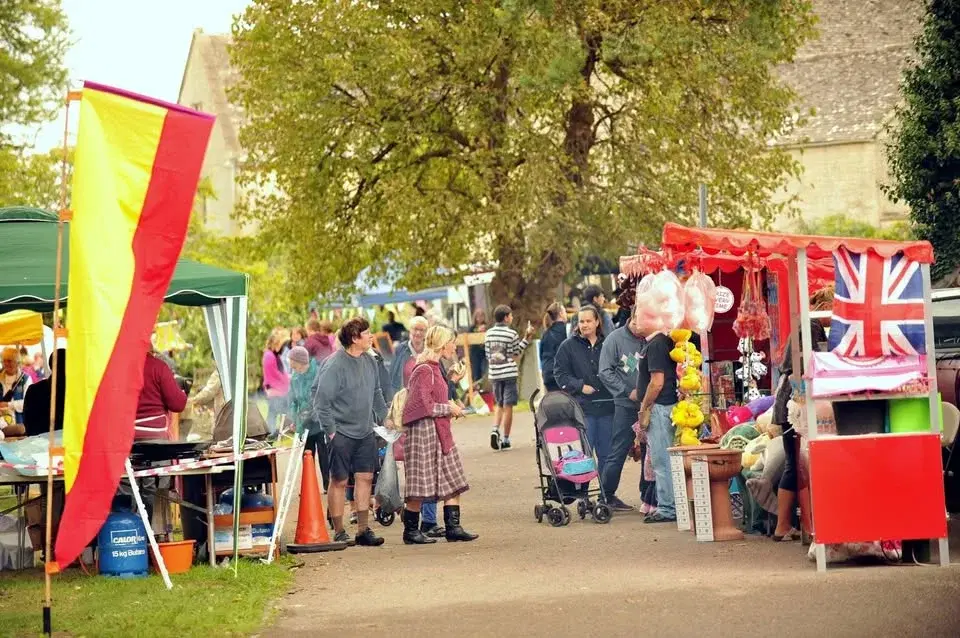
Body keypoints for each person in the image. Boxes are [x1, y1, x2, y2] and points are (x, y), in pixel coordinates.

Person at [314, 317, 388, 547]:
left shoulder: (370, 361)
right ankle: (338, 531)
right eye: (366, 333)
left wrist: (386, 418)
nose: (371, 336)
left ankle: (364, 530)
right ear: (355, 338)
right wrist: (332, 432)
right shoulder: (335, 365)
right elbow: (321, 402)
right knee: (339, 480)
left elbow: (376, 393)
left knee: (365, 477)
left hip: (366, 431)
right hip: (341, 433)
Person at [401, 325, 477, 544]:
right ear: (443, 344)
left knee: (453, 479)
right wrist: (449, 409)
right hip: (424, 434)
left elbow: (436, 397)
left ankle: (454, 527)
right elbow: (421, 404)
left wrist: (451, 390)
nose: (454, 346)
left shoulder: (435, 367)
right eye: (452, 342)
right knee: (420, 483)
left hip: (440, 432)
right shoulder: (424, 369)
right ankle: (411, 532)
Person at [772, 319, 828, 541]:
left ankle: (791, 525)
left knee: (794, 465)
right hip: (795, 409)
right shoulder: (804, 362)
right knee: (796, 466)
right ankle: (785, 525)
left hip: (788, 407)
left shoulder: (789, 367)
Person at [386, 316, 443, 536]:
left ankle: (429, 520)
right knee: (413, 470)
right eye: (415, 330)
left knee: (429, 468)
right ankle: (412, 520)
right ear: (410, 331)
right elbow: (392, 382)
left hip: (427, 415)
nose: (418, 334)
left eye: (422, 330)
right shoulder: (401, 352)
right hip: (406, 415)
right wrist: (391, 412)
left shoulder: (430, 352)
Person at [553, 306, 615, 478]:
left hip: (607, 408)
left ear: (597, 322)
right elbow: (560, 374)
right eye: (581, 321)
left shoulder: (608, 343)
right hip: (582, 409)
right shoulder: (568, 346)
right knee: (583, 455)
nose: (585, 325)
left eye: (588, 321)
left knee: (607, 455)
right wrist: (580, 386)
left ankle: (606, 495)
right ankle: (584, 495)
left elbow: (618, 369)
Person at [598, 307, 647, 511]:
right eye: (639, 321)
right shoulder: (614, 339)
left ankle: (649, 495)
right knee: (618, 450)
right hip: (626, 405)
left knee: (649, 452)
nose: (642, 326)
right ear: (631, 318)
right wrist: (626, 391)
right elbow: (604, 371)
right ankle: (606, 495)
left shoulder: (649, 338)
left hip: (650, 404)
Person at [635, 320, 679, 523]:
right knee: (662, 460)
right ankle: (668, 505)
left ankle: (668, 508)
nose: (634, 322)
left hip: (659, 408)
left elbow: (657, 382)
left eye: (638, 317)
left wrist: (644, 406)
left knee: (662, 461)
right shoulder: (658, 342)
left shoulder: (656, 344)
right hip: (663, 407)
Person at [485, 304, 535, 450]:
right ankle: (506, 439)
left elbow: (488, 355)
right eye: (511, 315)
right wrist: (526, 337)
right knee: (508, 407)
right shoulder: (511, 334)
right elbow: (516, 353)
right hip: (509, 374)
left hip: (495, 373)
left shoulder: (488, 334)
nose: (512, 318)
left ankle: (495, 429)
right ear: (506, 318)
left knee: (499, 405)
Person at [288, 345, 330, 491]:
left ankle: (328, 485)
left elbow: (322, 396)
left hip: (318, 421)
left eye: (293, 363)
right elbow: (293, 401)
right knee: (307, 455)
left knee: (324, 455)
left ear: (300, 361)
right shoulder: (295, 377)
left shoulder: (317, 372)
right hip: (304, 423)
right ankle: (309, 487)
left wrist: (313, 412)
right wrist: (294, 419)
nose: (292, 367)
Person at [135, 351, 188, 440]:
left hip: (125, 439)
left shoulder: (117, 370)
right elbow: (178, 404)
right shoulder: (158, 366)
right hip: (155, 437)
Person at [22, 350, 66, 438]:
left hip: (40, 445)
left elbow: (29, 426)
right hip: (69, 445)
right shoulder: (77, 392)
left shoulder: (34, 390)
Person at [262, 327, 291, 434]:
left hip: (277, 390)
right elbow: (273, 375)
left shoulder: (274, 355)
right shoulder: (269, 356)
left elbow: (280, 372)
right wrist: (287, 380)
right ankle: (272, 433)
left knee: (273, 413)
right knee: (274, 413)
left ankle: (273, 432)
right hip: (274, 391)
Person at [0, 346, 32, 436]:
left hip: (20, 424)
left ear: (17, 362)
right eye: (4, 361)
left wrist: (8, 405)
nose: (6, 364)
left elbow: (28, 403)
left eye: (9, 361)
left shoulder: (25, 379)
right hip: (2, 425)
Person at [538, 302, 568, 393]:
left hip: (547, 374)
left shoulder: (545, 333)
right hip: (562, 375)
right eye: (565, 311)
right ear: (561, 314)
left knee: (554, 403)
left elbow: (541, 355)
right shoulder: (566, 331)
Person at [467, 309, 488, 386]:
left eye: (481, 316)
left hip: (484, 353)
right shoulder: (472, 328)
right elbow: (469, 339)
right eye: (478, 316)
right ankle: (476, 389)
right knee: (476, 372)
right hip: (475, 354)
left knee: (484, 370)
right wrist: (477, 331)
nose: (480, 318)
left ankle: (484, 388)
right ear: (475, 317)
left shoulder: (487, 326)